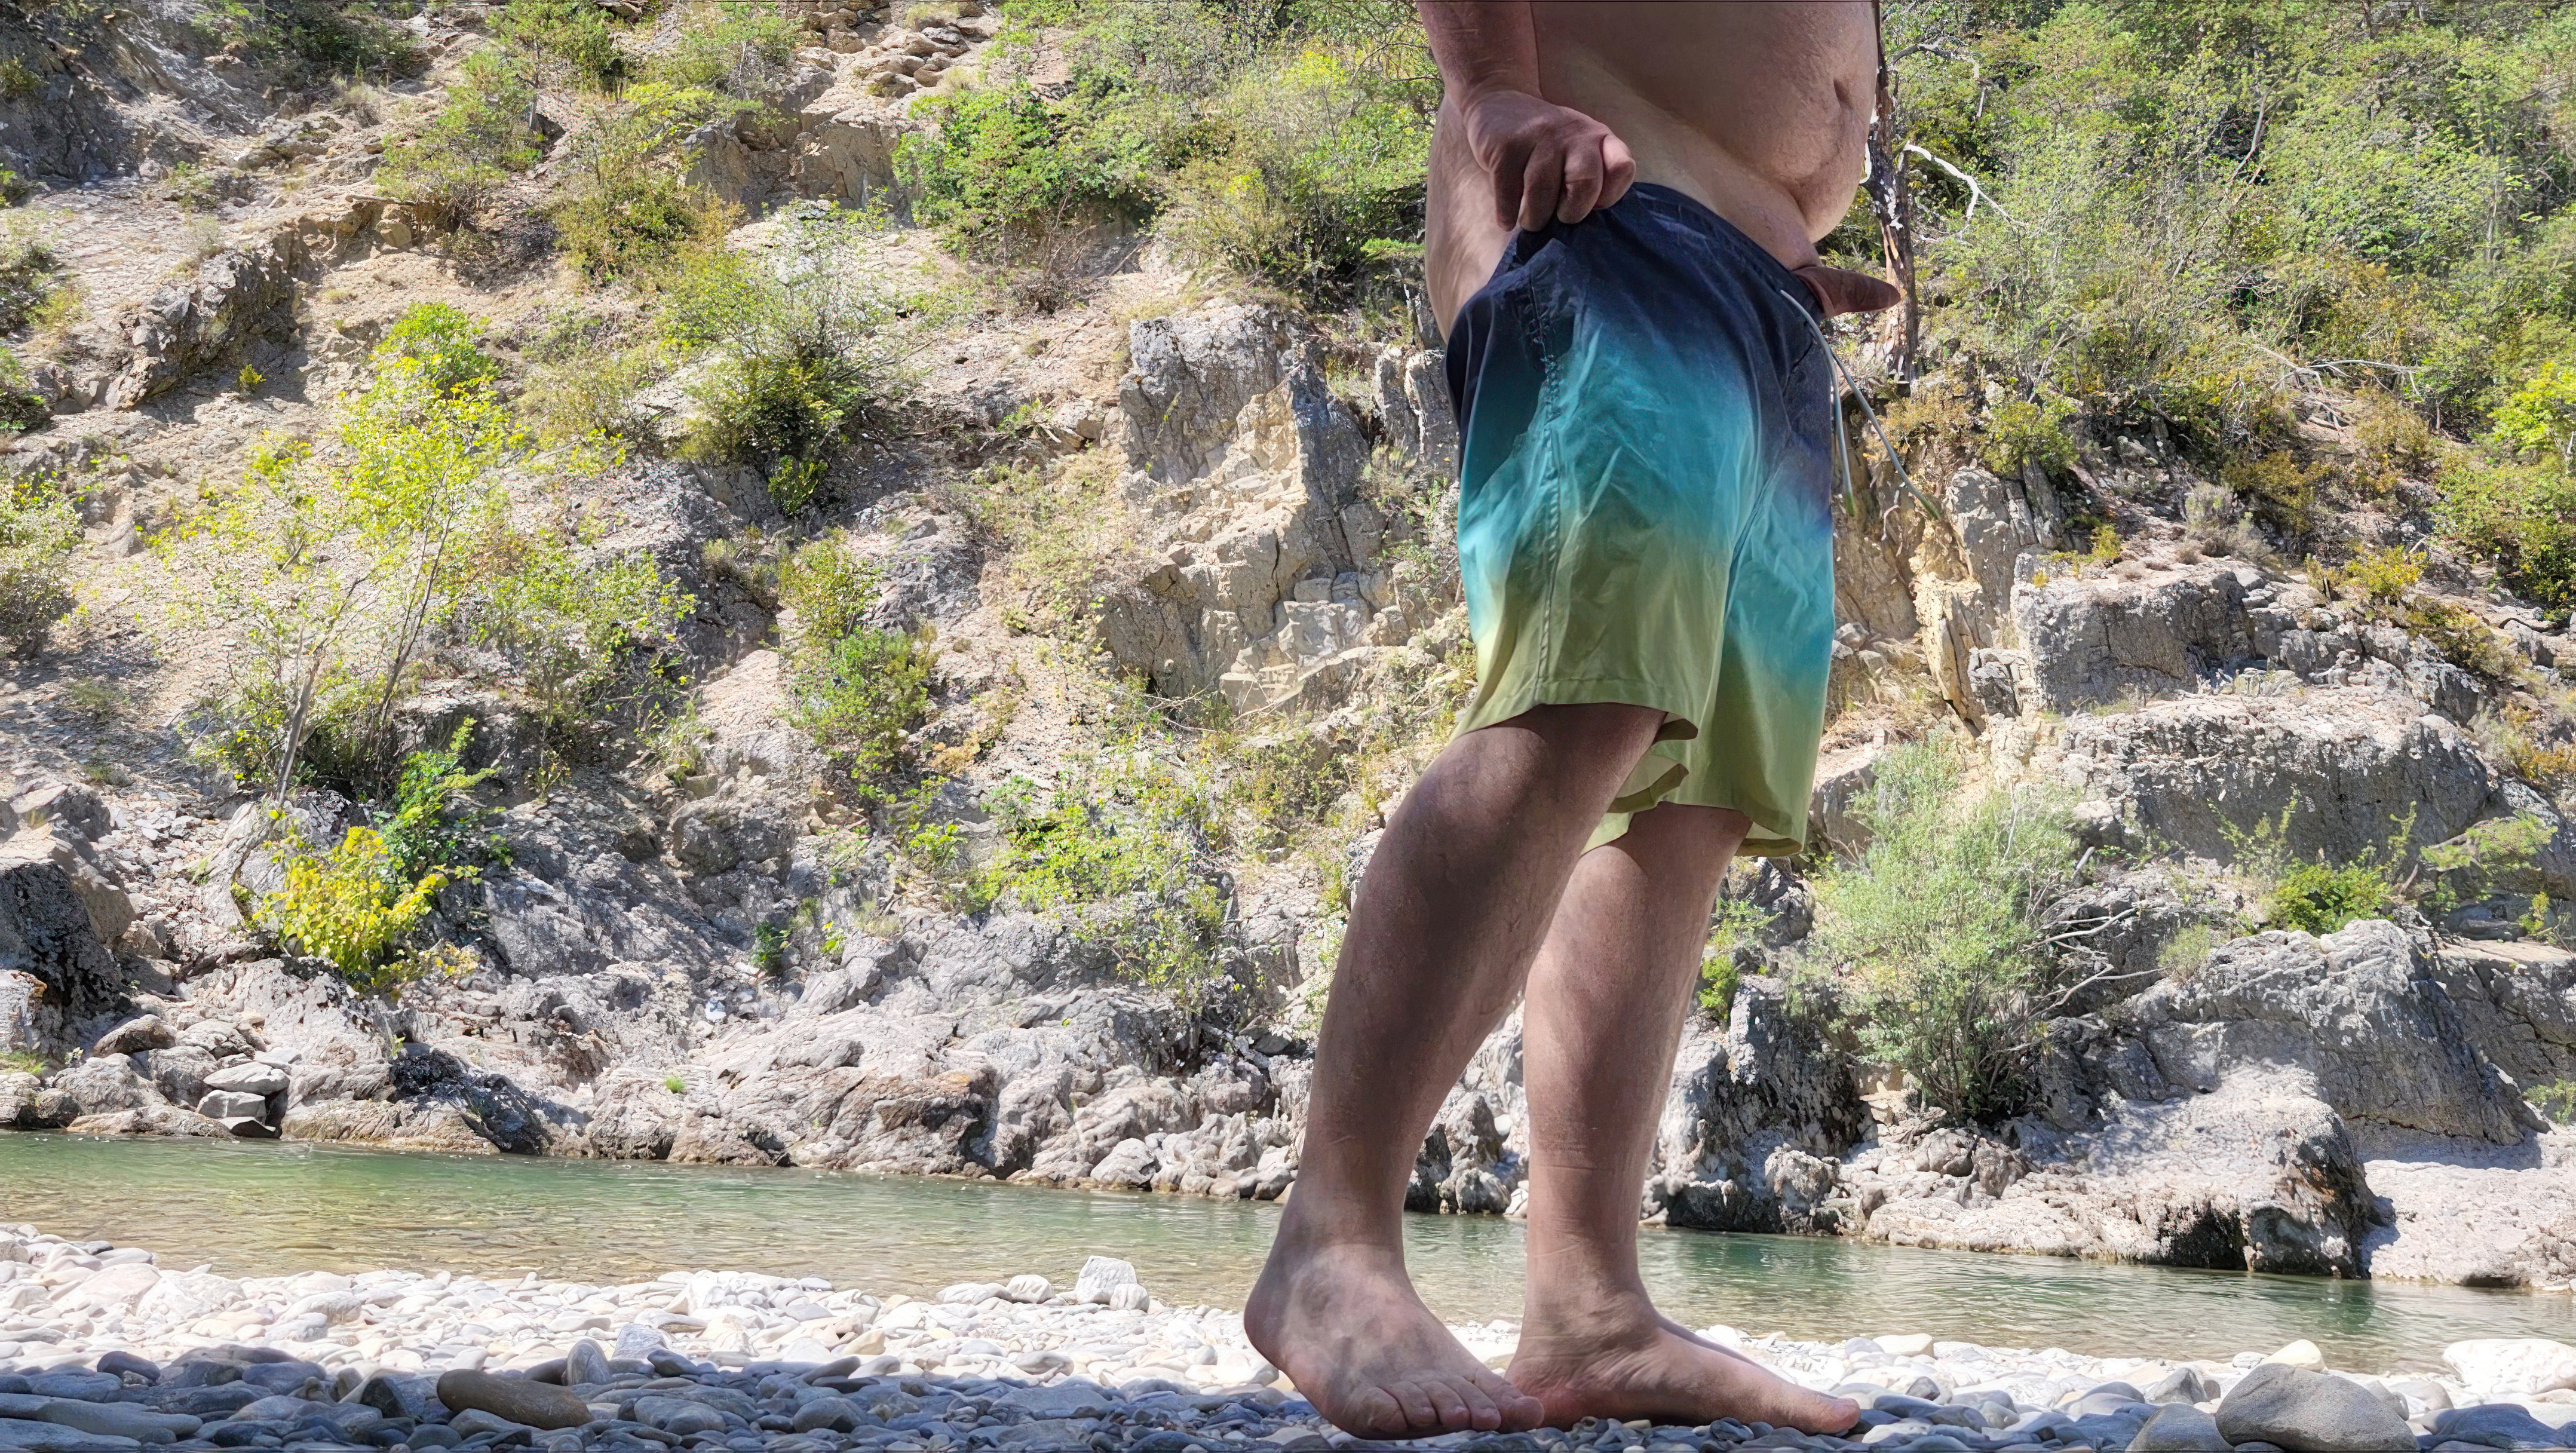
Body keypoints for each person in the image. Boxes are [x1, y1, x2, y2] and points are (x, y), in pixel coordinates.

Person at [1243, 1, 1903, 1440]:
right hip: (1603, 216)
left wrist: (1778, 209)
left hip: (1761, 289)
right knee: (1579, 692)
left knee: (1690, 788)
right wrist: (1490, 90)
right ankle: (1331, 1242)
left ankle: (1591, 1309)